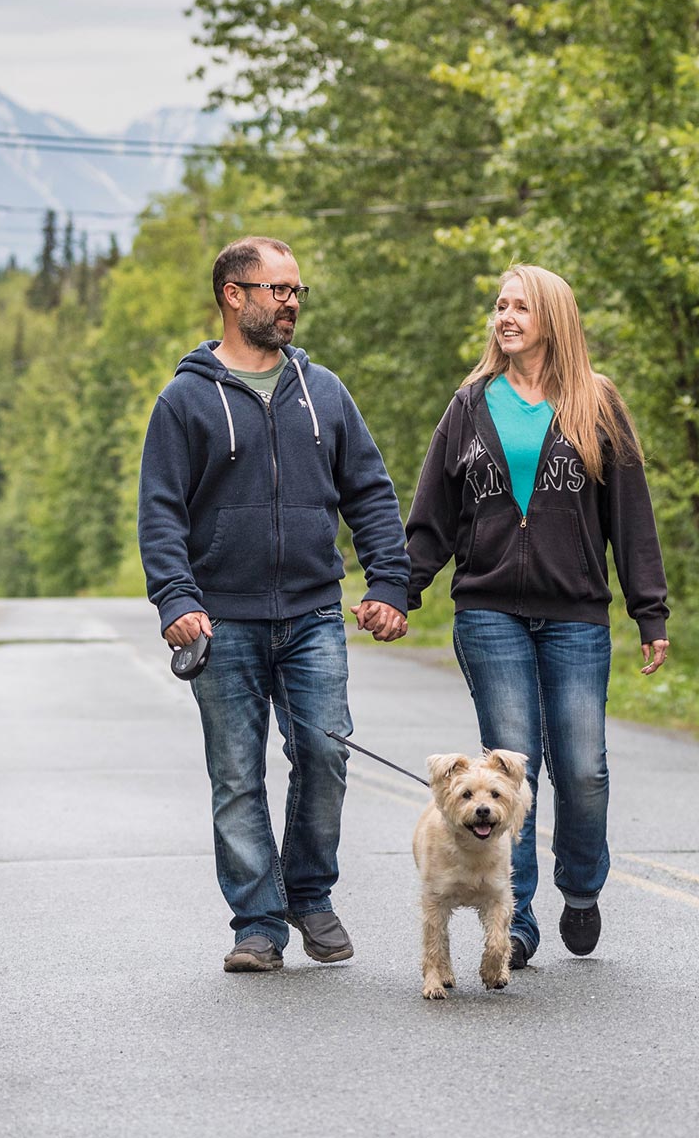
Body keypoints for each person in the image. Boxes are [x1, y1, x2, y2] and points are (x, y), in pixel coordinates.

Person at [138, 236, 410, 973]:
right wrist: (176, 599)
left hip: (314, 613)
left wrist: (389, 582)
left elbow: (371, 493)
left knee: (325, 753)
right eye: (277, 289)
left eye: (297, 291)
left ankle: (310, 893)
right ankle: (257, 923)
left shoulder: (324, 392)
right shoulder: (185, 398)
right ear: (234, 295)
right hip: (220, 620)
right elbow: (161, 512)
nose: (291, 302)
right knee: (236, 775)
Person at [405, 263, 669, 966]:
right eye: (500, 305)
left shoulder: (597, 402)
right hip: (488, 608)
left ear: (553, 319)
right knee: (513, 766)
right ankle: (514, 921)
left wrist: (651, 611)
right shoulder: (469, 404)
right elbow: (432, 514)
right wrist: (399, 591)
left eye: (521, 306)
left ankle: (580, 889)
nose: (506, 317)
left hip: (576, 610)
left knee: (583, 768)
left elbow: (631, 519)